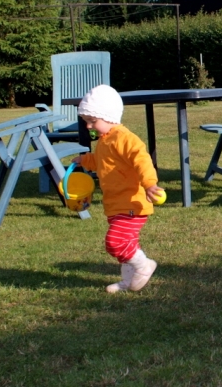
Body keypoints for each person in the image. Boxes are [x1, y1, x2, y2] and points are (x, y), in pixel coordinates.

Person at [72, 84, 163, 293]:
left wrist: (150, 184)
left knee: (115, 242)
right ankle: (128, 283)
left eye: (92, 121)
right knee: (127, 242)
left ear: (108, 116)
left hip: (131, 203)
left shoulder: (125, 139)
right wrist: (85, 160)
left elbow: (142, 160)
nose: (89, 127)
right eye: (87, 122)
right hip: (115, 204)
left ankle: (144, 265)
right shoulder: (105, 141)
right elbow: (102, 161)